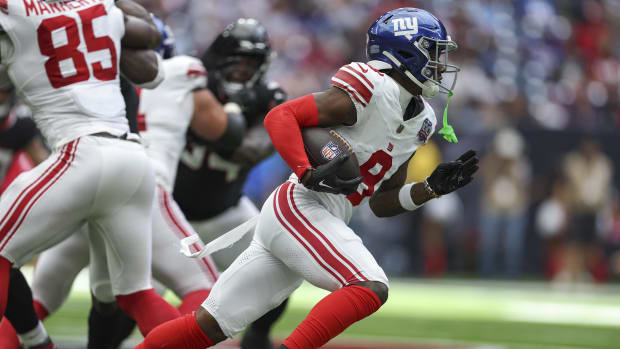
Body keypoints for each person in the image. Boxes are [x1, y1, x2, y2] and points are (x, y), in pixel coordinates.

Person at [137, 7, 479, 349]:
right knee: (369, 285)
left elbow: (381, 202)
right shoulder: (372, 84)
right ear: (404, 50)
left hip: (317, 216)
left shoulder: (422, 121)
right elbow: (281, 117)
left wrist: (430, 189)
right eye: (432, 51)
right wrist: (306, 169)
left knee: (206, 327)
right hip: (301, 205)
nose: (438, 63)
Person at [21, 14, 247, 349]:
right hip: (138, 188)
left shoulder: (83, 73)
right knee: (198, 292)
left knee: (39, 299)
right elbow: (228, 133)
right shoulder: (181, 73)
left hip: (75, 178)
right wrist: (235, 108)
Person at [0, 1, 180, 348]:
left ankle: (37, 341)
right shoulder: (104, 6)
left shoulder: (17, 10)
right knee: (136, 294)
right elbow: (152, 70)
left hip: (79, 152)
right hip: (131, 158)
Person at [172, 18, 288, 349]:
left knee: (279, 265)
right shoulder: (193, 86)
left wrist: (225, 126)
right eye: (236, 59)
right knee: (133, 294)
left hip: (226, 213)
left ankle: (258, 337)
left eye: (251, 62)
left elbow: (252, 150)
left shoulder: (269, 95)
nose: (242, 69)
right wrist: (227, 122)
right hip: (172, 216)